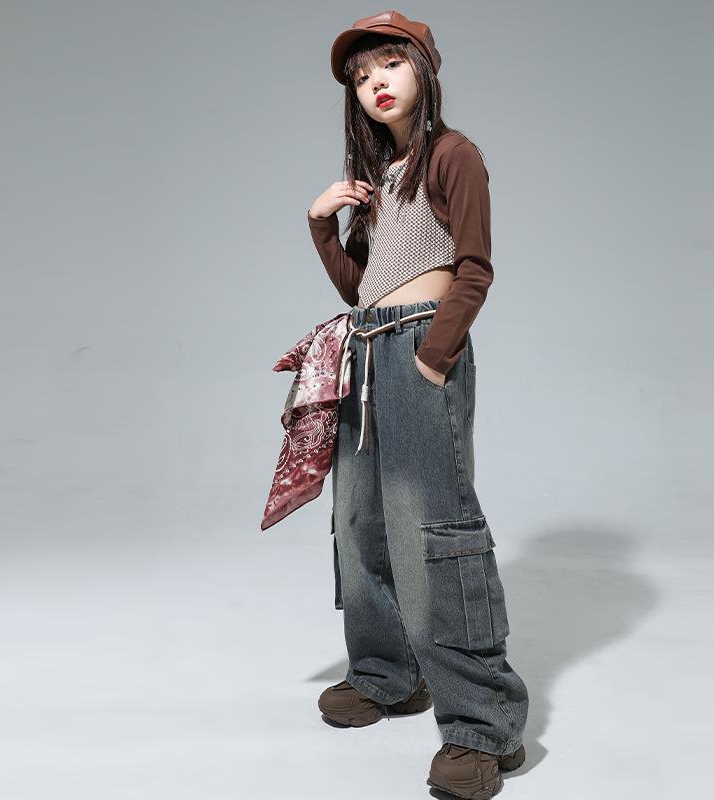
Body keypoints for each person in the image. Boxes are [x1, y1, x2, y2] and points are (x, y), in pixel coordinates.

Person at [307, 12, 529, 799]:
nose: (376, 83)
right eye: (362, 77)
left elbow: (474, 267)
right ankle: (387, 674)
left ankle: (482, 725)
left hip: (416, 350)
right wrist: (322, 226)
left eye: (390, 65)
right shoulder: (379, 180)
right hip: (365, 350)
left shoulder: (452, 155)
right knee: (360, 522)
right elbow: (360, 288)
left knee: (431, 528)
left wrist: (434, 356)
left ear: (424, 70)